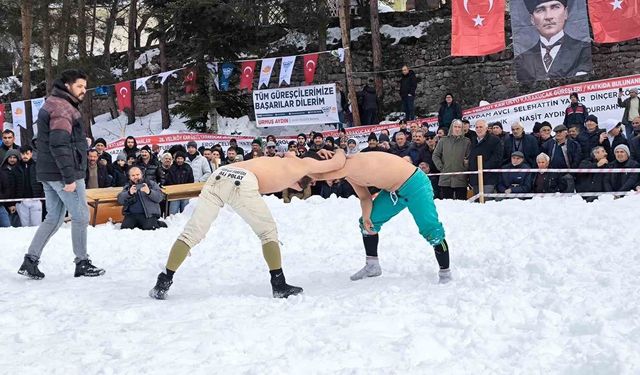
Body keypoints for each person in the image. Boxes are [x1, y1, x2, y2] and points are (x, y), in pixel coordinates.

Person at [149, 149, 347, 300]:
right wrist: (337, 151)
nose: (312, 182)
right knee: (268, 232)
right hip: (242, 182)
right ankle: (278, 284)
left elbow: (297, 178)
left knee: (191, 233)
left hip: (220, 174)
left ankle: (164, 281)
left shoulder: (287, 159)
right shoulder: (305, 165)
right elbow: (338, 162)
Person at [308, 151, 452, 284]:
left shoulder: (350, 163)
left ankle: (445, 273)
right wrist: (366, 217)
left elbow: (323, 173)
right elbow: (365, 197)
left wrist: (307, 169)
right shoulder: (348, 173)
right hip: (394, 192)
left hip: (416, 184)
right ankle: (372, 266)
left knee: (432, 231)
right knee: (369, 223)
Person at [17, 69, 105, 280]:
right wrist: (69, 178)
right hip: (63, 173)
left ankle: (30, 260)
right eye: (79, 86)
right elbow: (58, 144)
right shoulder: (62, 107)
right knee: (81, 215)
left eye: (85, 86)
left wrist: (80, 143)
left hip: (49, 170)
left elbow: (55, 140)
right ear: (67, 86)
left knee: (54, 218)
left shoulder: (56, 102)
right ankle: (82, 262)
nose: (84, 90)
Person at [514, 0, 592, 82]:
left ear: (565, 13)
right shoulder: (522, 60)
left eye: (555, 7)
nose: (548, 16)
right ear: (532, 19)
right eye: (540, 10)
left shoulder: (583, 50)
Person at [433, 119, 471, 200]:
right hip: (445, 178)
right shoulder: (443, 140)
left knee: (461, 204)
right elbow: (435, 155)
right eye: (455, 127)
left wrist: (465, 166)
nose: (457, 129)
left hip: (461, 179)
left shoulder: (467, 142)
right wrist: (441, 167)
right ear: (451, 128)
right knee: (447, 204)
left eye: (459, 127)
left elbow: (469, 157)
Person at [468, 120, 503, 195]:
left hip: (488, 178)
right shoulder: (473, 140)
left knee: (486, 203)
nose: (478, 129)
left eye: (481, 127)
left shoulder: (494, 140)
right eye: (476, 127)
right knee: (476, 203)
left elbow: (497, 158)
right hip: (475, 178)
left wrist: (482, 167)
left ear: (486, 128)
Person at [14, 146, 44, 227]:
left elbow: (43, 183)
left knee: (36, 226)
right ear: (20, 154)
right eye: (23, 154)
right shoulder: (16, 168)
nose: (25, 156)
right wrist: (15, 201)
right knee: (24, 226)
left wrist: (41, 198)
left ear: (31, 154)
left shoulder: (37, 167)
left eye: (27, 153)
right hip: (21, 201)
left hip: (36, 200)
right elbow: (13, 185)